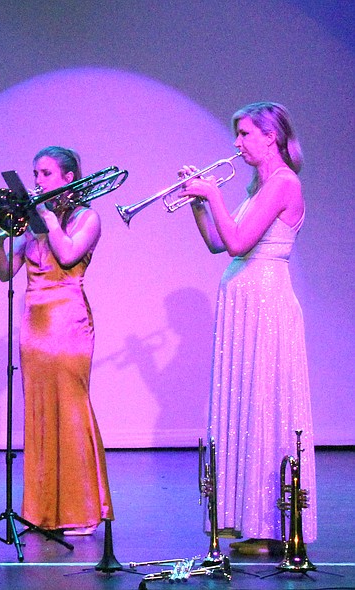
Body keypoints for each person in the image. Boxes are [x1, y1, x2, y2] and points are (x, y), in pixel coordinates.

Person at [179, 102, 315, 555]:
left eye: (243, 133)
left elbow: (239, 241)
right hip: (244, 302)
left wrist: (213, 193)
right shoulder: (260, 186)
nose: (236, 143)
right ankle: (241, 517)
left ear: (269, 136)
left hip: (266, 304)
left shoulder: (283, 184)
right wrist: (201, 204)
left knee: (263, 405)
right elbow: (221, 243)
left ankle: (267, 524)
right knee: (242, 408)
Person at [0, 146, 114, 536]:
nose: (37, 182)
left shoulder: (87, 218)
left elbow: (66, 254)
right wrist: (2, 234)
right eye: (35, 174)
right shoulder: (30, 224)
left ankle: (80, 512)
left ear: (67, 177)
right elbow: (5, 272)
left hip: (68, 322)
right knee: (40, 413)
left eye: (45, 174)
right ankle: (42, 511)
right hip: (34, 325)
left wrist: (45, 218)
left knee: (71, 410)